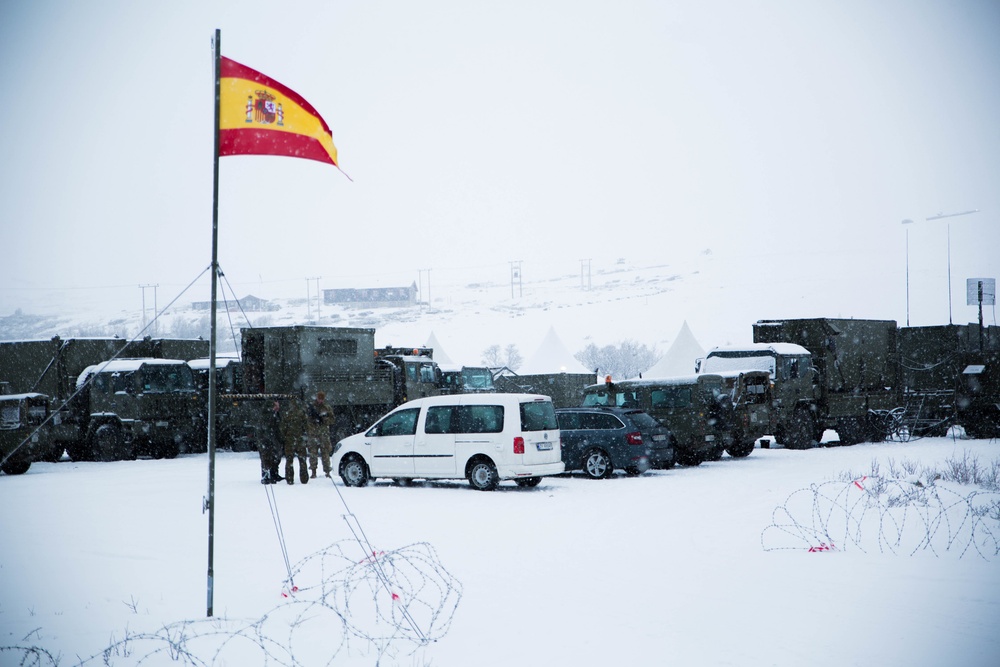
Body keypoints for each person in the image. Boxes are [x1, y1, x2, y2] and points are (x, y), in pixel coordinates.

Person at [280, 394, 309, 485]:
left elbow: (282, 428)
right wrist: (305, 436)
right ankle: (304, 479)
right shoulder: (302, 413)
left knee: (289, 460)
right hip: (300, 439)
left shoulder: (287, 414)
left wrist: (285, 436)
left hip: (289, 440)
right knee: (302, 460)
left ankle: (289, 479)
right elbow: (306, 427)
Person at [305, 390, 332, 478]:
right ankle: (313, 472)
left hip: (323, 434)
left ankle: (327, 471)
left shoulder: (327, 407)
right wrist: (313, 419)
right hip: (313, 433)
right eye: (319, 399)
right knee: (313, 453)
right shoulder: (311, 407)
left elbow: (332, 419)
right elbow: (306, 419)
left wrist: (324, 419)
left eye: (322, 399)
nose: (320, 401)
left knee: (325, 453)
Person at [258, 400, 284, 484]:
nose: (278, 407)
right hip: (266, 440)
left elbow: (278, 425)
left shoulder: (275, 414)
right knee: (266, 458)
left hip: (274, 439)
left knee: (275, 458)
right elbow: (266, 427)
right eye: (276, 406)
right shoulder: (266, 415)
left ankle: (274, 474)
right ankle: (265, 476)